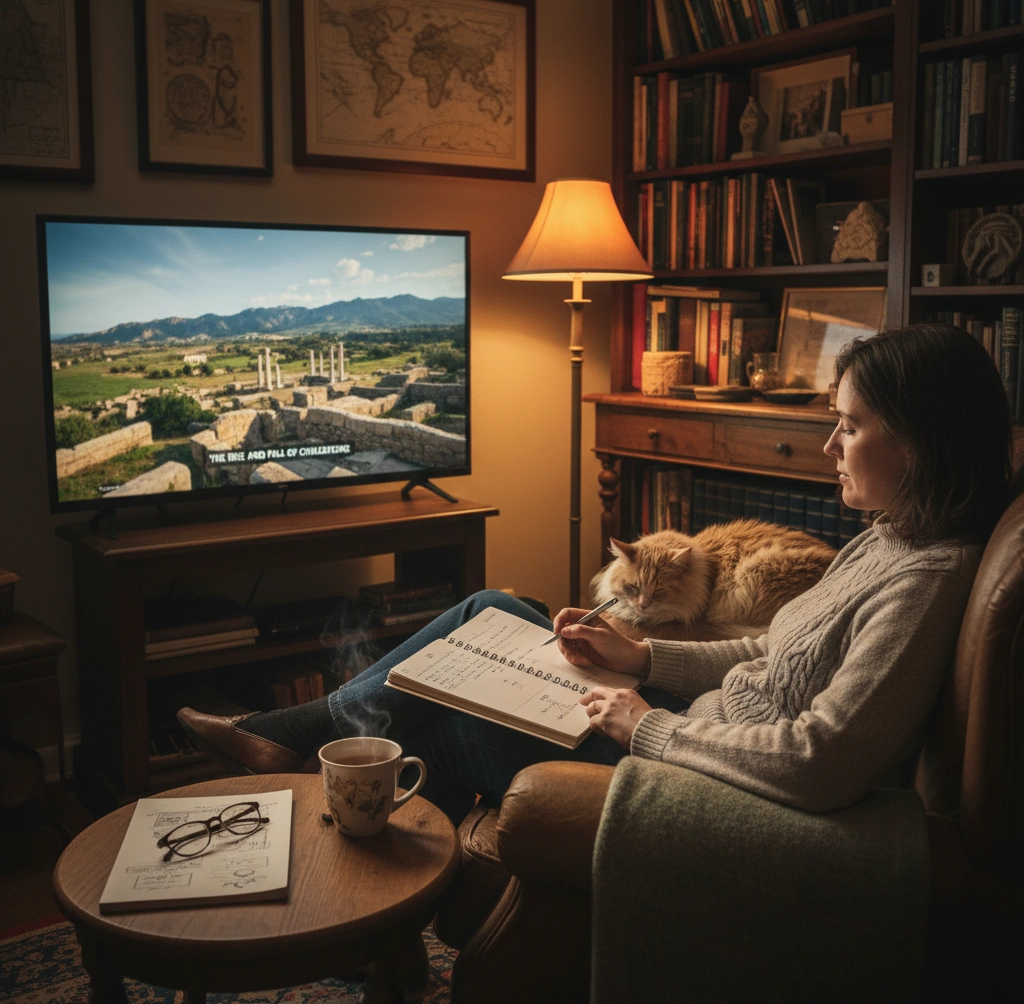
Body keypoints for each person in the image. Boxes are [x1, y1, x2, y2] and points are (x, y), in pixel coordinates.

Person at [179, 323, 1013, 824]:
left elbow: (817, 759)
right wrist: (641, 659)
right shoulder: (888, 538)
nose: (831, 447)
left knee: (444, 716)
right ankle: (297, 741)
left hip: (701, 767)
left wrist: (642, 721)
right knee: (496, 604)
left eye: (851, 426)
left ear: (919, 442)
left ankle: (302, 777)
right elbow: (770, 656)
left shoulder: (924, 582)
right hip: (693, 718)